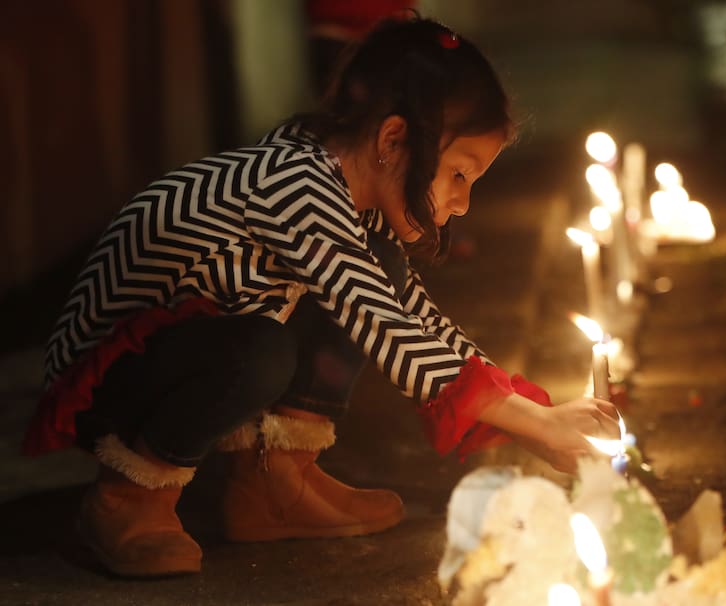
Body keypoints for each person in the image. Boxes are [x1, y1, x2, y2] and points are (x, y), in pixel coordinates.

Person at [22, 16, 619, 578]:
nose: (462, 204)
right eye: (459, 174)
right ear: (393, 138)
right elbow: (387, 330)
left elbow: (415, 317)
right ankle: (129, 496)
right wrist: (536, 425)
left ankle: (276, 481)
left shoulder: (346, 190)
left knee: (368, 273)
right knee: (262, 352)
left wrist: (537, 416)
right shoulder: (297, 186)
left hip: (198, 344)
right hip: (107, 380)